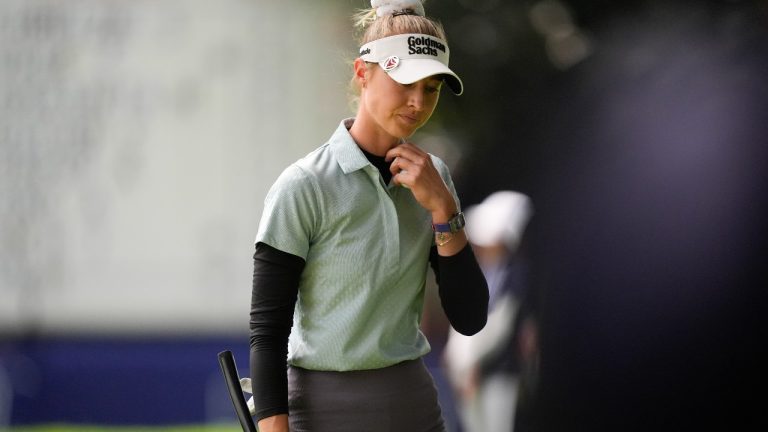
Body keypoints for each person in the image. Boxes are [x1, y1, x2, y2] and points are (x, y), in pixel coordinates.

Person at [248, 1, 489, 431]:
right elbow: (268, 331)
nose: (418, 101)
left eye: (431, 87)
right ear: (363, 74)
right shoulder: (303, 184)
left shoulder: (435, 180)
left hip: (413, 406)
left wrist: (443, 210)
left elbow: (470, 318)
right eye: (405, 81)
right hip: (322, 408)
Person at [443, 191, 536, 432]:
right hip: (470, 376)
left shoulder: (515, 276)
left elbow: (500, 327)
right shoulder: (480, 271)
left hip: (500, 373)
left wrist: (473, 364)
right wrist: (459, 365)